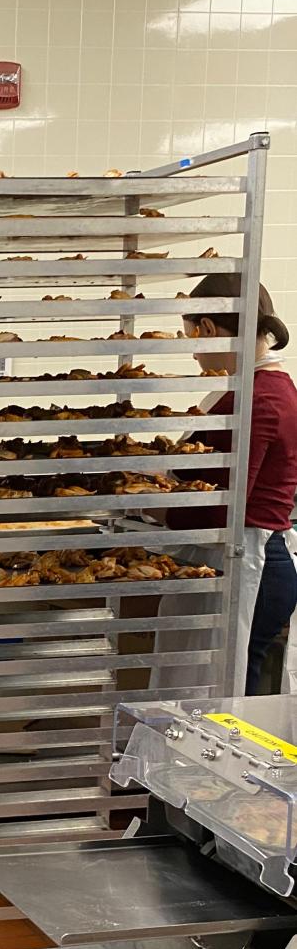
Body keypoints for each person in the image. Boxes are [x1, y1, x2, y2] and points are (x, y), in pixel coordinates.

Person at [175, 273, 297, 693]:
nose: (195, 354)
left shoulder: (259, 396)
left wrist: (148, 506)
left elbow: (223, 505)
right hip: (248, 558)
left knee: (224, 706)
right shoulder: (258, 388)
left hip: (251, 567)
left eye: (191, 336)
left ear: (208, 328)